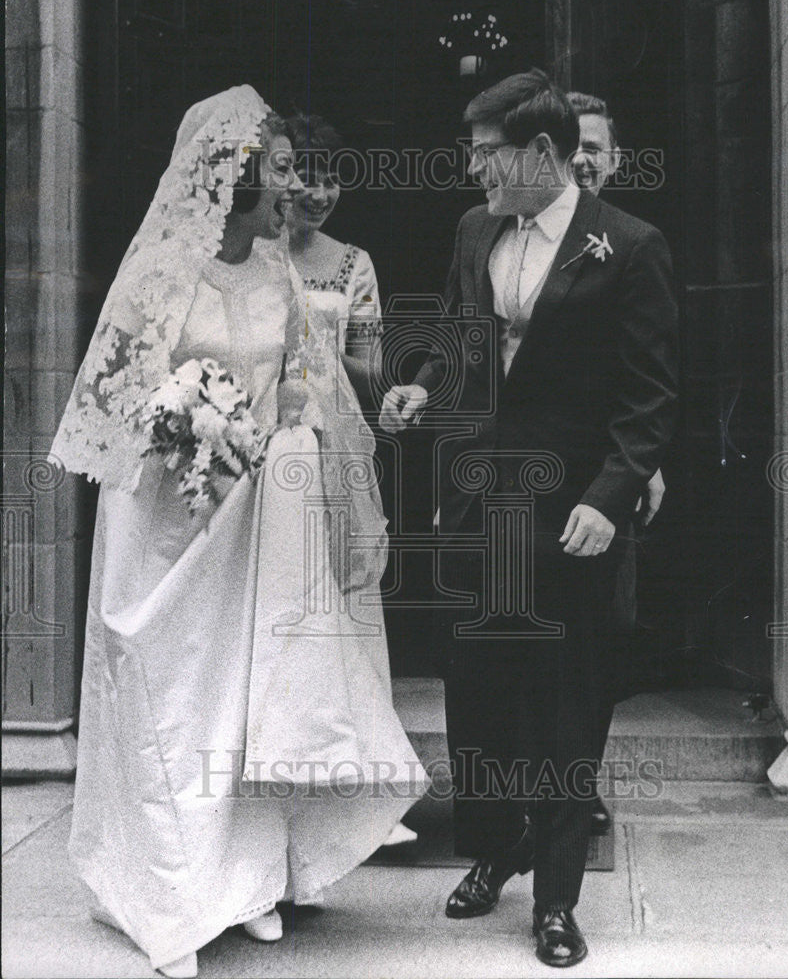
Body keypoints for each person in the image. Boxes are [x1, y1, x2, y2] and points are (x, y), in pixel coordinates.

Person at [51, 86, 426, 979]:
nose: (287, 190)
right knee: (170, 696)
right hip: (160, 519)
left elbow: (304, 383)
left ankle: (247, 883)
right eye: (274, 174)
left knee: (240, 698)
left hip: (250, 513)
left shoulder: (276, 271)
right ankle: (169, 892)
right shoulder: (157, 274)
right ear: (230, 180)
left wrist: (271, 432)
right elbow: (113, 398)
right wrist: (185, 420)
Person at [380, 69, 678, 967]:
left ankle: (554, 898)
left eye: (485, 157)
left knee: (564, 701)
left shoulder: (628, 246)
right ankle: (500, 845)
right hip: (479, 502)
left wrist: (607, 497)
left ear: (541, 153)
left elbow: (650, 398)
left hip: (569, 515)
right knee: (478, 695)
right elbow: (459, 336)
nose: (473, 174)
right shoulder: (475, 230)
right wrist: (418, 387)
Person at [282, 111, 418, 848]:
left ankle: (365, 783)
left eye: (331, 176)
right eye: (305, 173)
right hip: (269, 443)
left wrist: (395, 384)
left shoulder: (351, 262)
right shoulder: (248, 253)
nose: (319, 190)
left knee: (346, 599)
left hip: (335, 447)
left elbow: (365, 358)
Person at [567, 89, 668, 835]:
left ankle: (576, 783)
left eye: (593, 147)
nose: (579, 158)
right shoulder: (508, 237)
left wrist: (639, 465)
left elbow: (649, 374)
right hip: (526, 473)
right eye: (566, 143)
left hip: (607, 474)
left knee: (598, 640)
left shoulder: (632, 244)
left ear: (615, 160)